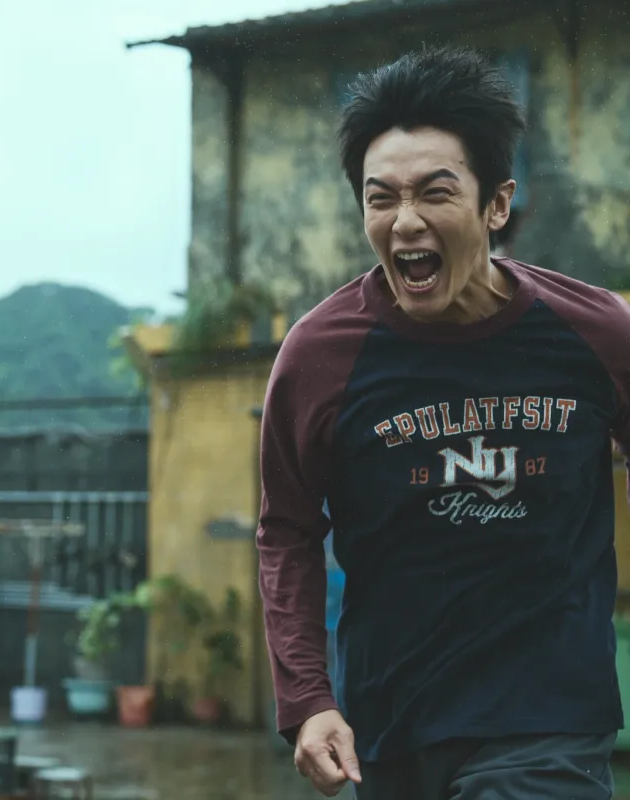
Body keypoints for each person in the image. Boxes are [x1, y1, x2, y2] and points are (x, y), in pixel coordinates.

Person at [257, 46, 628, 799]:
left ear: (497, 205)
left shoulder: (595, 333)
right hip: (392, 723)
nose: (406, 221)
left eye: (435, 193)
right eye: (381, 198)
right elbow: (287, 530)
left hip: (548, 718)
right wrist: (307, 699)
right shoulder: (321, 355)